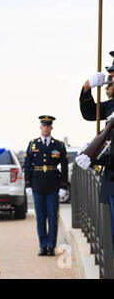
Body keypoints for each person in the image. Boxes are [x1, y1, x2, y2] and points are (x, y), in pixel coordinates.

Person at [76, 51, 114, 249]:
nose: (109, 83)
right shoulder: (112, 105)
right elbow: (90, 113)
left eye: (112, 79)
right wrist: (87, 87)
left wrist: (96, 157)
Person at [24, 116, 68, 256]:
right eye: (44, 125)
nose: (46, 128)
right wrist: (28, 184)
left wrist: (63, 186)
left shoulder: (58, 145)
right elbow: (27, 165)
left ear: (51, 128)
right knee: (40, 217)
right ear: (40, 127)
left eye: (48, 126)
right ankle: (42, 245)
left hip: (53, 186)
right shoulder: (33, 144)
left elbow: (65, 167)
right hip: (37, 185)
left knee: (52, 217)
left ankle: (51, 246)